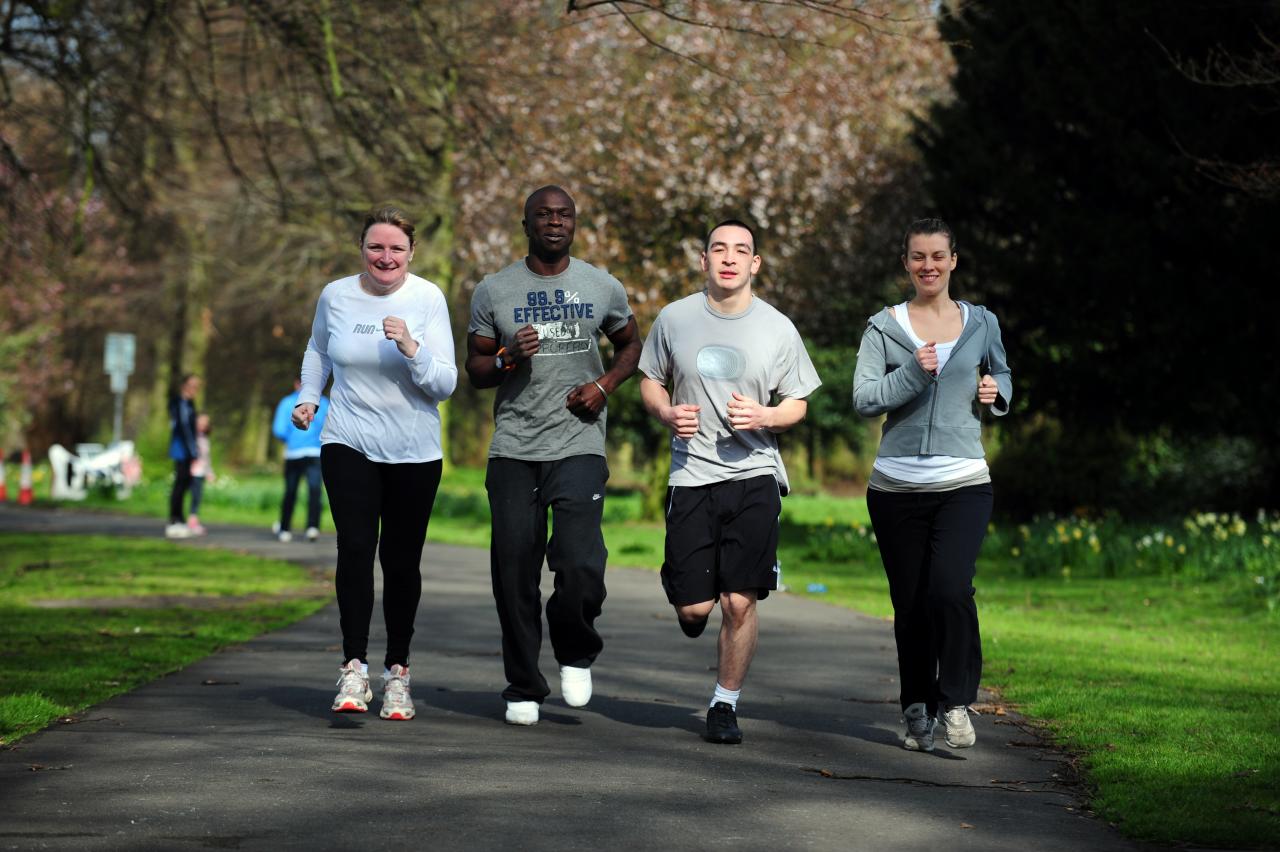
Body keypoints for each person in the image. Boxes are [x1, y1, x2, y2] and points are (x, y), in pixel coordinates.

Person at [639, 219, 821, 745]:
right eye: (719, 248)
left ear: (755, 263)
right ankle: (689, 589)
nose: (729, 258)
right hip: (692, 473)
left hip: (754, 474)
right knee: (695, 610)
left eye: (741, 250)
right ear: (704, 260)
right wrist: (667, 412)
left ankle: (725, 704)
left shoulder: (778, 328)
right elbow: (650, 380)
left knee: (740, 601)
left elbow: (798, 403)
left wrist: (765, 417)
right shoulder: (675, 319)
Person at [466, 185, 641, 726]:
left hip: (578, 441)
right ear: (526, 224)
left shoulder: (601, 285)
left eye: (564, 215)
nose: (555, 222)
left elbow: (631, 343)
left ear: (575, 223)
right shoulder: (493, 290)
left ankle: (575, 649)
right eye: (543, 215)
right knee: (514, 570)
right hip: (515, 448)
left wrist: (606, 385)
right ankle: (523, 684)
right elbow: (473, 371)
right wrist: (504, 357)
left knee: (581, 561)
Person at [852, 217, 1012, 752]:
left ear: (953, 261)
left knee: (950, 588)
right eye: (918, 257)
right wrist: (914, 373)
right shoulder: (884, 327)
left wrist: (995, 391)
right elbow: (864, 397)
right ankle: (916, 705)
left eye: (938, 256)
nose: (929, 266)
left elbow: (1002, 376)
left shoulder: (981, 322)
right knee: (912, 603)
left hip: (964, 479)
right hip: (895, 486)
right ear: (906, 263)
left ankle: (958, 702)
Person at [292, 205, 457, 720]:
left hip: (414, 449)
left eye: (396, 249)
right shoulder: (336, 295)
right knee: (357, 548)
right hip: (348, 440)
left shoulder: (427, 298)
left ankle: (398, 673)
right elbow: (318, 348)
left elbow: (445, 385)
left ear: (411, 253)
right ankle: (354, 667)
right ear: (362, 249)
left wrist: (411, 346)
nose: (385, 257)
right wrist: (310, 398)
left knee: (402, 562)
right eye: (376, 247)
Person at [271, 380, 329, 542]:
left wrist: (292, 439)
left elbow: (279, 429)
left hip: (300, 452)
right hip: (311, 452)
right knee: (314, 490)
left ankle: (285, 528)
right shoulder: (323, 403)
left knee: (291, 491)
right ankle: (311, 527)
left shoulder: (288, 402)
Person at [165, 374, 201, 539]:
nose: (195, 390)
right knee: (180, 484)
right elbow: (183, 428)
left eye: (197, 386)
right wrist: (192, 450)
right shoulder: (178, 403)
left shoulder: (190, 404)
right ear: (185, 386)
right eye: (193, 386)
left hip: (188, 449)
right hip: (181, 449)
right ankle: (174, 519)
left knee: (185, 483)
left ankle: (180, 517)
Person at [186, 413, 214, 536]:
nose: (203, 425)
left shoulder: (204, 438)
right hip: (192, 471)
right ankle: (187, 522)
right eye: (200, 422)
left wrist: (209, 472)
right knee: (192, 496)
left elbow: (206, 458)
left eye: (205, 423)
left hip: (200, 471)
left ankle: (193, 521)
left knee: (197, 497)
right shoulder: (191, 438)